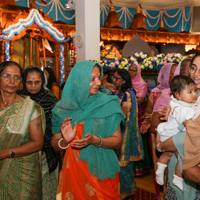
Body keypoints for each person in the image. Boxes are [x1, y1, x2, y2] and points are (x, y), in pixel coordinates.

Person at [51, 60, 125, 200]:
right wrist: (65, 140)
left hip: (102, 170)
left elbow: (117, 142)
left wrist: (95, 140)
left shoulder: (108, 104)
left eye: (99, 77)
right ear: (78, 81)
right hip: (74, 170)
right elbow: (55, 145)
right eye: (92, 79)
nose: (98, 82)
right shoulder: (62, 110)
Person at [0, 61, 45, 199]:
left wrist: (6, 153)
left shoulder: (30, 108)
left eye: (17, 77)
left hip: (24, 172)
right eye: (7, 76)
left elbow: (37, 143)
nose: (12, 81)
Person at [158, 53, 200, 200]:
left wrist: (165, 144)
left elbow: (194, 135)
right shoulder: (185, 98)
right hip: (177, 167)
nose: (196, 74)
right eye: (194, 68)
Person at [21, 66, 59, 200]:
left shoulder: (50, 99)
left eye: (37, 82)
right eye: (29, 82)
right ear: (23, 81)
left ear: (42, 82)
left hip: (46, 152)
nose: (33, 86)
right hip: (23, 152)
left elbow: (56, 126)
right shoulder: (19, 98)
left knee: (46, 191)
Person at [112, 68, 144, 199]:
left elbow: (124, 115)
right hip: (115, 129)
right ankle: (120, 187)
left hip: (124, 131)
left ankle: (127, 190)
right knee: (116, 162)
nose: (113, 80)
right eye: (113, 78)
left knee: (124, 163)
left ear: (124, 80)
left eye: (116, 78)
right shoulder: (116, 92)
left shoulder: (128, 94)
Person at [128, 63, 152, 176]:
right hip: (127, 110)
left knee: (137, 137)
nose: (131, 72)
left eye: (133, 70)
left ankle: (140, 168)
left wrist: (125, 102)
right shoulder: (127, 82)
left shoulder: (142, 84)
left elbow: (140, 100)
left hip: (138, 112)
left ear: (138, 72)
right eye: (130, 70)